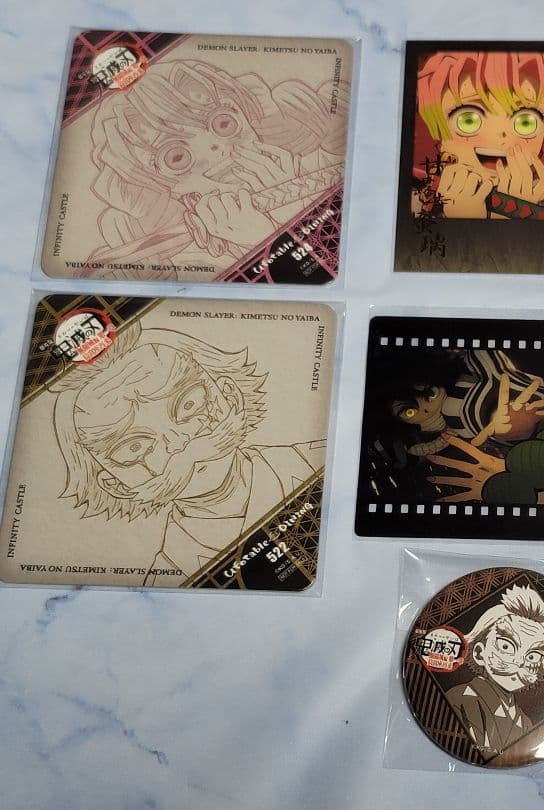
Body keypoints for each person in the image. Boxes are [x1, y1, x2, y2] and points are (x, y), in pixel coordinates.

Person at [50, 321, 323, 582]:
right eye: (135, 448)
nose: (178, 442)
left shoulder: (324, 462)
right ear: (115, 484)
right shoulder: (169, 577)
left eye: (189, 404)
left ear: (230, 395)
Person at [86, 59, 346, 277]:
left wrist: (292, 208)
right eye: (177, 157)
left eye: (223, 123)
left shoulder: (327, 167)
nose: (216, 149)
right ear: (156, 180)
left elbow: (349, 267)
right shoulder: (189, 262)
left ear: (246, 113)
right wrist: (262, 237)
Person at [413, 51, 544, 220]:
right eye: (468, 120)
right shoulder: (415, 205)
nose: (499, 135)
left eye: (526, 122)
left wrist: (515, 212)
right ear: (440, 134)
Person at [445, 585, 544, 756]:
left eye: (532, 656)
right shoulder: (460, 699)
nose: (520, 662)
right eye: (506, 646)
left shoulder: (524, 721)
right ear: (479, 653)